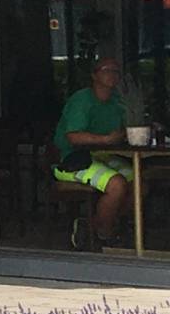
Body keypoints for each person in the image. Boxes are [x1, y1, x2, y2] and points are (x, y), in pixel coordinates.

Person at [54, 56, 133, 250]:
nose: (112, 75)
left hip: (105, 156)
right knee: (117, 185)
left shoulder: (117, 101)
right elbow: (73, 137)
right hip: (72, 160)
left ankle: (93, 224)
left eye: (116, 71)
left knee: (140, 183)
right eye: (107, 70)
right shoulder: (82, 100)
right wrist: (105, 140)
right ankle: (103, 235)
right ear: (94, 75)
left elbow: (124, 128)